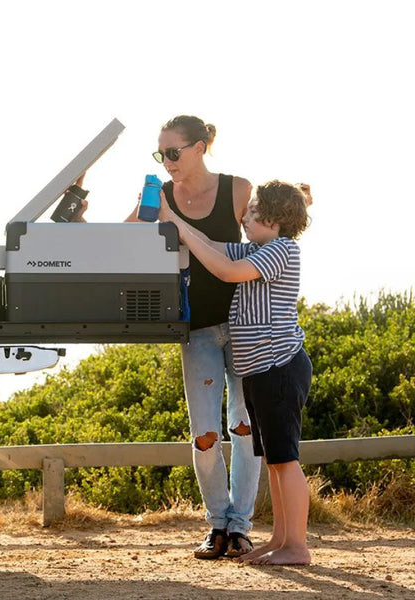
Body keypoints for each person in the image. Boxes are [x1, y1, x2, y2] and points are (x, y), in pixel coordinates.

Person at [161, 180, 312, 565]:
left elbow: (226, 271)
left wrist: (181, 229)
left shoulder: (281, 251)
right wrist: (175, 221)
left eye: (253, 212)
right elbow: (210, 249)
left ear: (276, 220)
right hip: (260, 373)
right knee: (274, 462)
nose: (243, 217)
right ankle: (280, 539)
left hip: (279, 368)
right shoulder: (259, 248)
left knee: (285, 460)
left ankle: (297, 546)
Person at [135, 116, 262, 559]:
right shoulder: (160, 195)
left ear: (200, 147)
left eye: (173, 152)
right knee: (204, 434)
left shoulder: (239, 190)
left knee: (246, 429)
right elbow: (124, 241)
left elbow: (270, 236)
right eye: (161, 154)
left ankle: (241, 527)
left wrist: (297, 200)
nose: (167, 161)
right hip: (196, 329)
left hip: (247, 327)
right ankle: (216, 524)